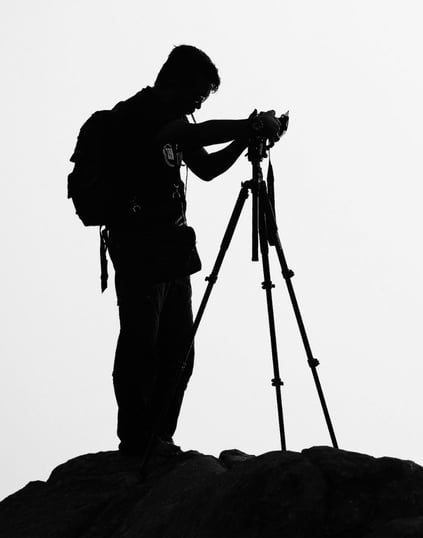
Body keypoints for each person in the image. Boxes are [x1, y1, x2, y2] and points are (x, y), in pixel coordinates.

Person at [104, 45, 282, 457]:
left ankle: (159, 437)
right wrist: (248, 123)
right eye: (197, 96)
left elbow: (205, 168)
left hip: (171, 247)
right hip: (138, 246)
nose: (198, 106)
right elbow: (193, 136)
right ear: (175, 81)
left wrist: (246, 139)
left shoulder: (177, 119)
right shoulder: (143, 113)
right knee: (140, 344)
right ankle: (135, 440)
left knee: (179, 349)